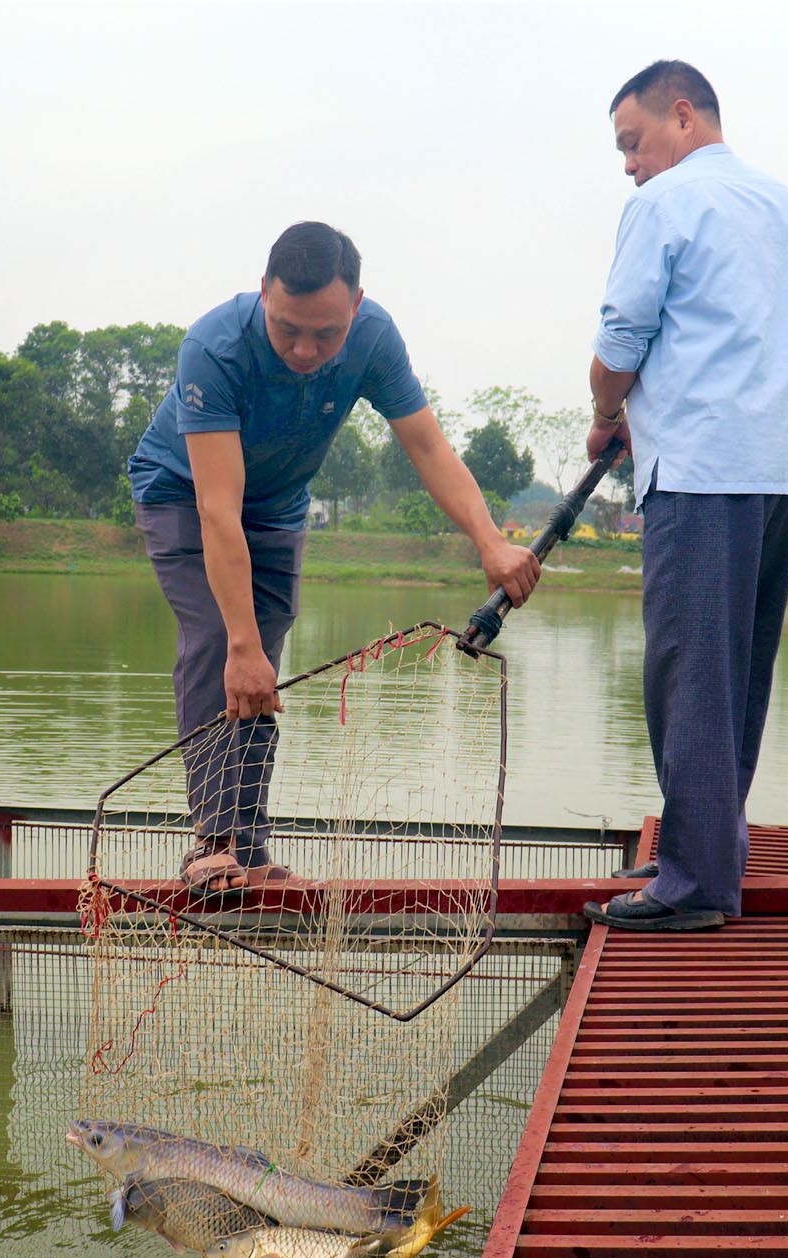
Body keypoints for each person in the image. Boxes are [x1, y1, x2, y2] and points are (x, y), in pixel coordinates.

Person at [127, 221, 539, 894]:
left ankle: (251, 845)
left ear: (357, 304)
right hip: (186, 494)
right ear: (263, 292)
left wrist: (490, 541)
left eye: (327, 333)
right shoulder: (215, 347)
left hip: (279, 507)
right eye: (289, 328)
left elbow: (428, 446)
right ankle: (214, 841)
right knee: (222, 644)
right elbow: (218, 512)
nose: (305, 349)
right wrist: (240, 641)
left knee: (262, 667)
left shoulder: (375, 337)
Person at [580, 61, 788, 931]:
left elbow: (623, 337)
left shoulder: (662, 206)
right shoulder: (785, 209)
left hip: (701, 469)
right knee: (737, 673)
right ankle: (707, 843)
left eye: (633, 142)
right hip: (779, 470)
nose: (629, 164)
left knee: (688, 671)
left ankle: (693, 882)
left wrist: (610, 409)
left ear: (681, 117)